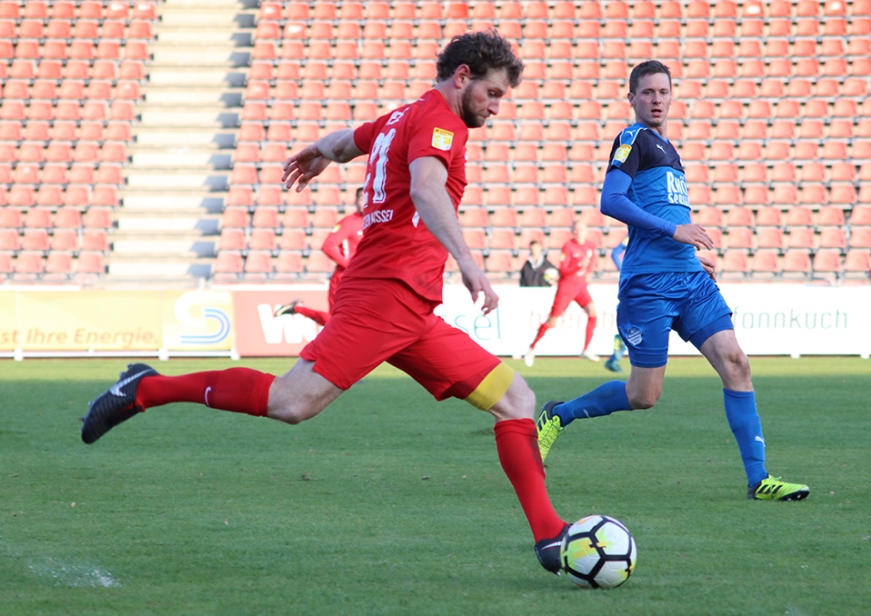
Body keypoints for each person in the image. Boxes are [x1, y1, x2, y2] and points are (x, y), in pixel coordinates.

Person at [80, 31, 573, 574]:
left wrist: (318, 153)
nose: (497, 107)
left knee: (516, 399)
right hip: (384, 296)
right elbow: (427, 188)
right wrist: (469, 262)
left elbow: (345, 142)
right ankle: (145, 388)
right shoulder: (441, 123)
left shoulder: (399, 117)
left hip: (410, 309)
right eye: (493, 93)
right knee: (291, 403)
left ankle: (549, 536)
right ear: (462, 77)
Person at [536, 60, 809, 502]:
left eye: (663, 91)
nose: (656, 99)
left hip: (690, 280)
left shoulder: (669, 149)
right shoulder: (633, 139)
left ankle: (759, 479)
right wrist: (675, 232)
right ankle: (559, 415)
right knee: (644, 395)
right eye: (647, 92)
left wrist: (689, 254)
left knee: (736, 363)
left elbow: (664, 215)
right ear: (632, 98)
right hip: (649, 285)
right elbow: (611, 200)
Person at [275, 187, 364, 326]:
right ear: (355, 201)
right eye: (361, 198)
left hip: (363, 279)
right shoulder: (349, 223)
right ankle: (298, 309)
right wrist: (349, 266)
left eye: (367, 198)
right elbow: (328, 246)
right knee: (334, 322)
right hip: (344, 278)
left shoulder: (373, 222)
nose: (364, 202)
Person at [523, 220, 600, 366]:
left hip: (580, 287)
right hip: (566, 288)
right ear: (572, 231)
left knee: (593, 312)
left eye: (581, 230)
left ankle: (586, 349)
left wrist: (588, 272)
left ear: (586, 231)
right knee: (552, 321)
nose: (578, 232)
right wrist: (578, 266)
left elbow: (591, 260)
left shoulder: (590, 246)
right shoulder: (568, 246)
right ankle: (531, 348)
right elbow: (563, 270)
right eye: (575, 230)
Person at [604, 237, 628, 373]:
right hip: (638, 284)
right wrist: (624, 271)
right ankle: (616, 357)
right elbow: (614, 253)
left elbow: (615, 253)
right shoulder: (635, 234)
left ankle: (615, 358)